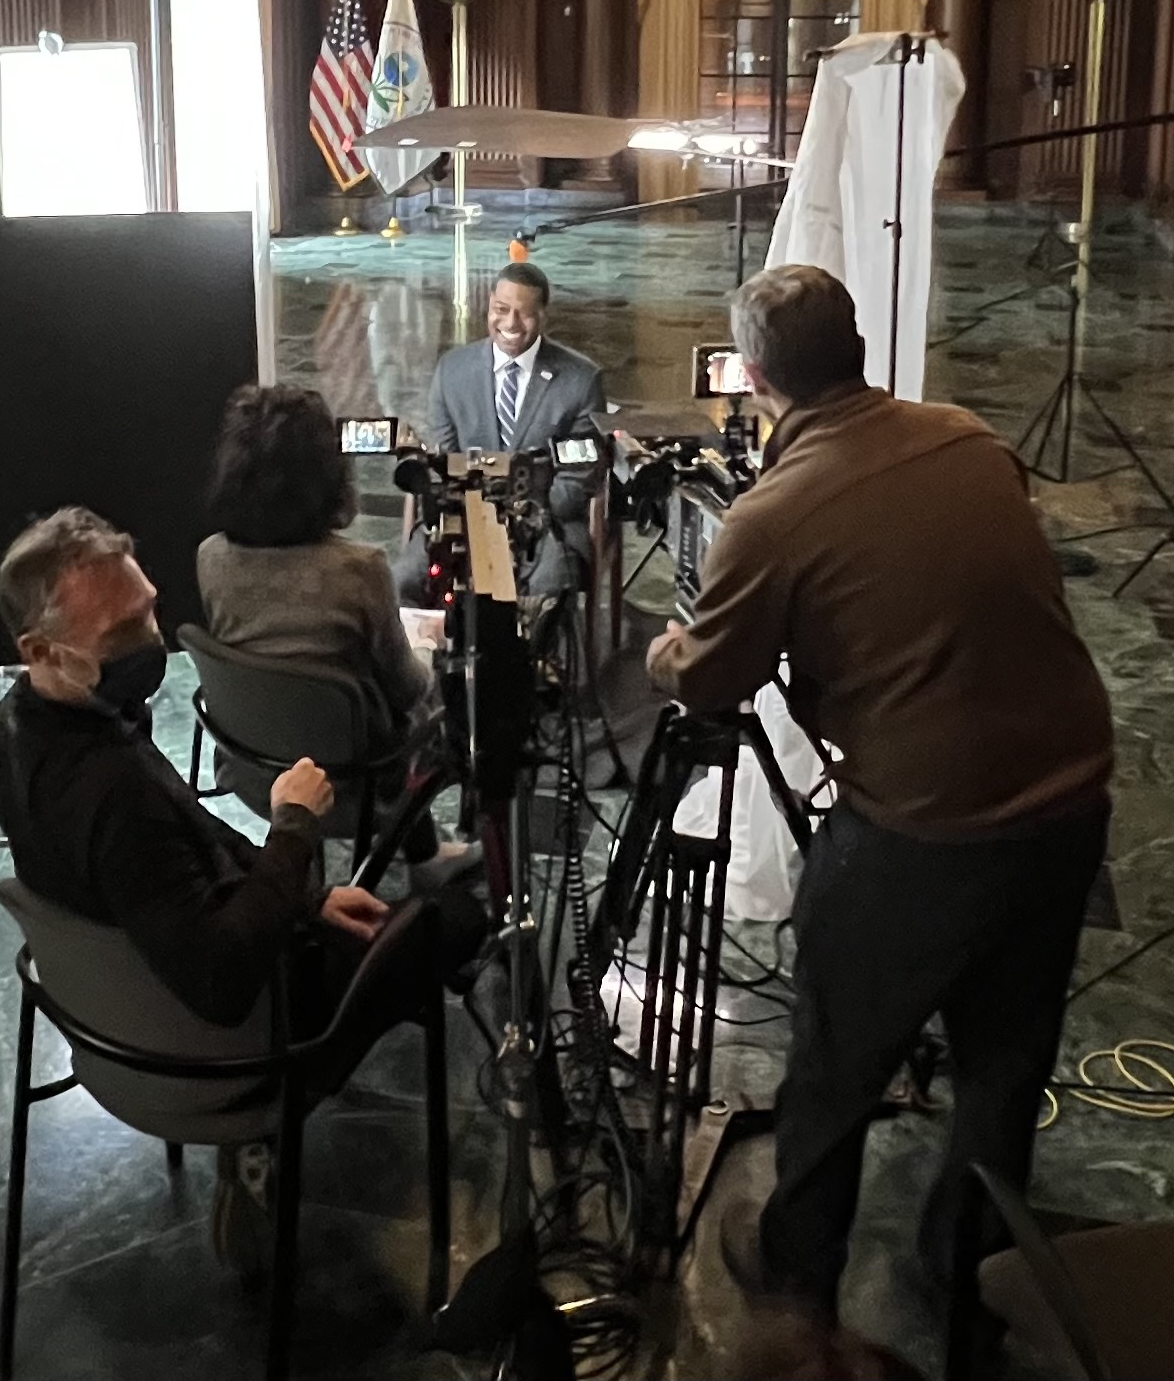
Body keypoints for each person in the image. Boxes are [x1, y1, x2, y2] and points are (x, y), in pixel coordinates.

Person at [646, 265, 1114, 1320]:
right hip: (1072, 795)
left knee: (835, 1053)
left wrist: (663, 656)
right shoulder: (965, 434)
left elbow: (713, 678)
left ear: (753, 377)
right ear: (853, 349)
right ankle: (967, 1267)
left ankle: (794, 1266)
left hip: (922, 825)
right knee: (1005, 1052)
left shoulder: (771, 513)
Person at [0, 507, 485, 1271]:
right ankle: (267, 1124)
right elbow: (222, 979)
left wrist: (303, 894)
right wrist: (291, 829)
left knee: (367, 918)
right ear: (38, 647)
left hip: (125, 1005)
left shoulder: (27, 724)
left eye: (149, 609)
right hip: (232, 1031)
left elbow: (182, 831)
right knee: (453, 918)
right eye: (123, 629)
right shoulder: (111, 791)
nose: (149, 637)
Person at [197, 383, 479, 889]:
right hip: (351, 782)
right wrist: (424, 643)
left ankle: (422, 850)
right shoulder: (360, 569)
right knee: (424, 692)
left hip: (251, 768)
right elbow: (408, 689)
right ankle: (426, 855)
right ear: (325, 476)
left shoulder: (211, 557)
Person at [397, 262, 606, 599]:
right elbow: (445, 460)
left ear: (543, 316)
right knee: (405, 581)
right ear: (489, 305)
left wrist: (521, 516)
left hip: (546, 522)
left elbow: (577, 477)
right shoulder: (452, 370)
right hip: (462, 515)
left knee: (546, 591)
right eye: (501, 310)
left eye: (524, 314)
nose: (510, 323)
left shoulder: (581, 381)